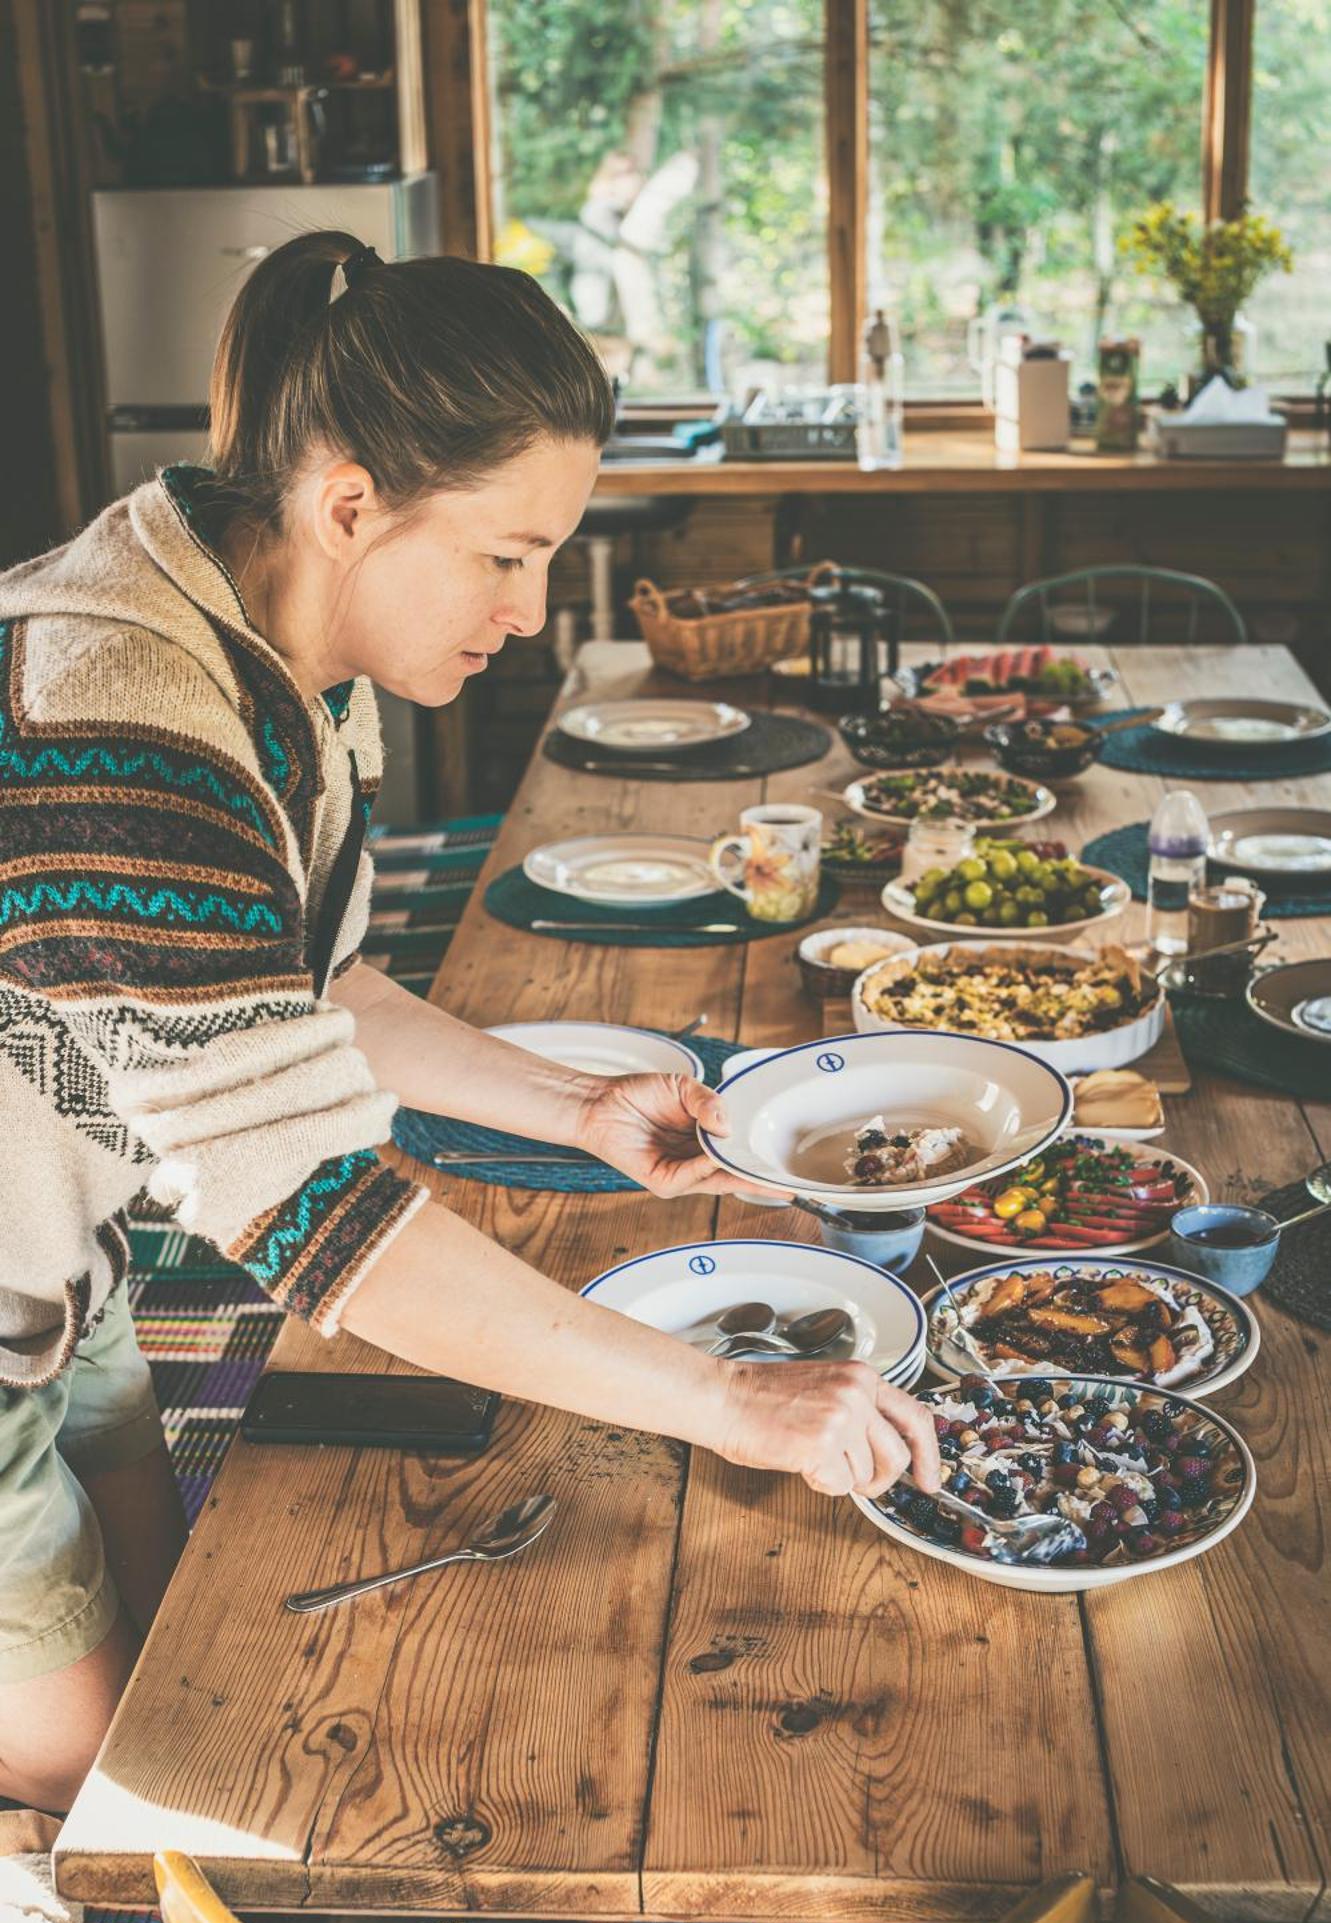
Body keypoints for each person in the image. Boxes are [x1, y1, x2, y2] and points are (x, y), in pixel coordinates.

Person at [0, 234, 937, 1813]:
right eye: (506, 554)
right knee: (116, 1785)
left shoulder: (276, 633)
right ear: (351, 502)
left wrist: (570, 1113)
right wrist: (729, 1399)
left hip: (54, 1262)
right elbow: (320, 1224)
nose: (532, 609)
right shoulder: (124, 719)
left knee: (168, 1650)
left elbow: (320, 992)